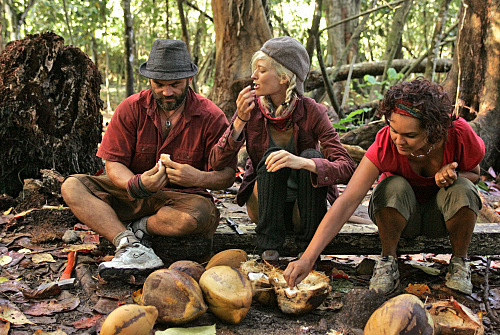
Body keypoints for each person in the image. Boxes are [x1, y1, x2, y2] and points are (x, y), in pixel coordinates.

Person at [283, 78, 485, 295]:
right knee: (392, 186)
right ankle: (388, 261)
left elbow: (475, 174)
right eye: (394, 130)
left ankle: (459, 263)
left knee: (463, 188)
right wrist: (307, 258)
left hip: (442, 220)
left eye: (410, 135)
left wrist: (453, 174)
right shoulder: (385, 143)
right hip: (400, 221)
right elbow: (347, 200)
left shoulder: (458, 133)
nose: (399, 140)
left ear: (433, 130)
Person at [61, 39, 235, 280]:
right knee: (72, 185)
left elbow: (227, 175)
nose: (167, 92)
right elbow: (113, 163)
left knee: (196, 217)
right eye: (159, 84)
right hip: (131, 193)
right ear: (149, 80)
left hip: (182, 201)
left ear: (189, 80)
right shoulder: (131, 108)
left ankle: (137, 229)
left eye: (175, 84)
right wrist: (137, 184)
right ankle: (129, 244)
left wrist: (196, 177)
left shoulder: (211, 116)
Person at [209, 36, 356, 260]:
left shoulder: (312, 111)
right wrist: (239, 120)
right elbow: (216, 162)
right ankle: (268, 249)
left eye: (261, 70)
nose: (253, 76)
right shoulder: (252, 111)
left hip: (303, 208)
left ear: (284, 77)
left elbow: (346, 167)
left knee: (311, 155)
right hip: (264, 207)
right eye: (254, 70)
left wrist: (304, 163)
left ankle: (309, 251)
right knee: (271, 156)